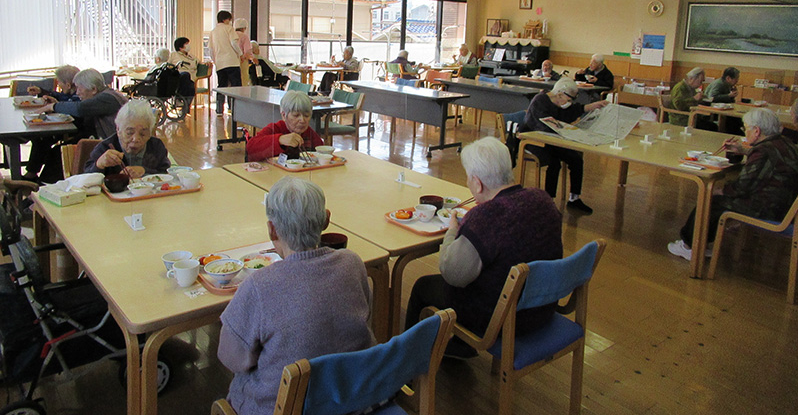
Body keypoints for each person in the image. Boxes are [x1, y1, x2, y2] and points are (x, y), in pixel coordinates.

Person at [218, 177, 374, 414]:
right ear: (326, 220)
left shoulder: (259, 286)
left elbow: (231, 357)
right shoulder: (352, 263)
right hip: (347, 397)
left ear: (271, 229)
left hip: (283, 406)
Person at [404, 137, 562, 357]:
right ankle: (459, 346)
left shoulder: (485, 217)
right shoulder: (542, 199)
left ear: (477, 183)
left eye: (468, 178)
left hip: (503, 318)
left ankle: (407, 362)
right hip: (542, 307)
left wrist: (453, 230)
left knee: (423, 286)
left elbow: (452, 273)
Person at [668, 108, 798, 261]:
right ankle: (701, 243)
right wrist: (743, 151)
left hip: (770, 209)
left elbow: (742, 187)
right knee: (716, 198)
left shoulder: (763, 151)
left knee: (710, 198)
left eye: (746, 128)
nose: (745, 132)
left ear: (756, 131)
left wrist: (721, 190)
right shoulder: (785, 143)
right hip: (788, 206)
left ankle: (690, 246)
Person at [519, 78, 607, 214]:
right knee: (554, 163)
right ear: (560, 94)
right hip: (533, 140)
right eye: (569, 99)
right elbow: (541, 127)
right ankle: (549, 202)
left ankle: (574, 198)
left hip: (553, 140)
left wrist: (589, 107)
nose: (570, 102)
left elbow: (569, 113)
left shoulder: (560, 102)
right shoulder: (540, 101)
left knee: (576, 159)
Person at [28, 69, 128, 182]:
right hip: (102, 140)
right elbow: (80, 108)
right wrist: (57, 102)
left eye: (80, 88)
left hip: (112, 145)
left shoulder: (107, 98)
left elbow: (80, 108)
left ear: (94, 89)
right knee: (51, 147)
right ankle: (42, 184)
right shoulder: (103, 96)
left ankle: (44, 186)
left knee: (58, 153)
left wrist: (53, 106)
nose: (77, 92)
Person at [83, 99, 170, 177]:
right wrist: (99, 165)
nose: (136, 139)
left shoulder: (156, 146)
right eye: (129, 133)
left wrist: (144, 171)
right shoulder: (104, 148)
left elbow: (166, 173)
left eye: (143, 134)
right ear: (118, 130)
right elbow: (84, 178)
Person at [246, 91, 323, 161]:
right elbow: (250, 148)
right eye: (296, 115)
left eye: (306, 116)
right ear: (284, 115)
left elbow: (322, 152)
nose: (302, 120)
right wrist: (280, 140)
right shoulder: (275, 128)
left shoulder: (309, 133)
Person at [209, 10, 243, 116]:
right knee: (235, 86)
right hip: (232, 61)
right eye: (229, 19)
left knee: (222, 85)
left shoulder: (213, 32)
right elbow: (234, 43)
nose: (230, 21)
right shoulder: (229, 29)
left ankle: (219, 109)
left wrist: (215, 60)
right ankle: (234, 109)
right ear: (225, 19)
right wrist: (240, 53)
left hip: (220, 63)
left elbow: (210, 49)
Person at [705, 67, 741, 133]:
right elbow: (712, 97)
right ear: (728, 78)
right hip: (713, 109)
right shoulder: (719, 83)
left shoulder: (728, 84)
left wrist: (732, 96)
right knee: (734, 121)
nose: (737, 80)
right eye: (736, 78)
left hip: (723, 108)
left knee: (738, 120)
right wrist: (729, 95)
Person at [234, 18, 254, 87]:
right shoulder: (244, 37)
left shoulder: (231, 35)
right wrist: (252, 58)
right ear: (244, 28)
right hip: (242, 60)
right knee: (243, 80)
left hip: (232, 61)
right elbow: (247, 51)